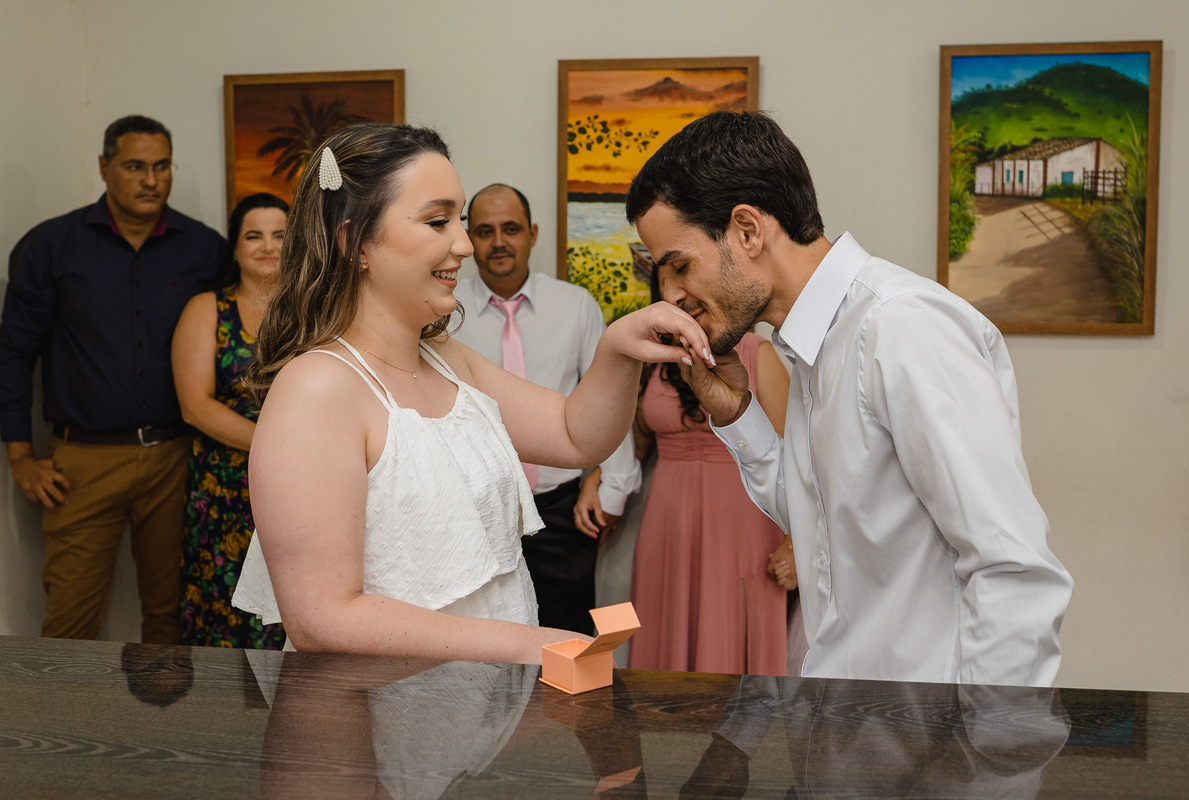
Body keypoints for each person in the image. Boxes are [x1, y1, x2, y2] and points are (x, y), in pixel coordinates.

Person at [230, 123, 710, 662]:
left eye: (458, 220)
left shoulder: (447, 359)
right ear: (353, 243)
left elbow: (577, 436)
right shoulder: (317, 389)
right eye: (438, 221)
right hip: (378, 723)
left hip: (473, 710)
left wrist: (618, 349)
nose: (462, 244)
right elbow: (322, 616)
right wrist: (533, 645)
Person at [625, 110, 1074, 687]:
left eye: (678, 266)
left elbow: (1013, 570)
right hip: (852, 724)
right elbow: (826, 521)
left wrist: (984, 759)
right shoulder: (814, 341)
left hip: (929, 742)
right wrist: (737, 413)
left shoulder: (899, 327)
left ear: (748, 230)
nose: (669, 296)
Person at [0, 115, 226, 643]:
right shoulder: (49, 247)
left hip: (176, 457)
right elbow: (13, 355)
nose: (151, 180)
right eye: (135, 166)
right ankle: (61, 728)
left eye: (162, 166)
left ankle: (163, 727)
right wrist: (19, 458)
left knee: (172, 615)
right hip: (82, 463)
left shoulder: (204, 249)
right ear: (105, 168)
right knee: (72, 618)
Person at [583, 268, 794, 676]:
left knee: (729, 635)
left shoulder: (757, 353)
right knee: (665, 630)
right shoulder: (653, 359)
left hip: (741, 525)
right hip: (667, 523)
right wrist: (597, 476)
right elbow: (636, 442)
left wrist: (794, 547)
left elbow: (795, 459)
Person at [455, 183, 641, 635]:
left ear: (533, 234)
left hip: (562, 512)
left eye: (511, 229)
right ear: (468, 240)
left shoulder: (574, 305)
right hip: (474, 509)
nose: (499, 242)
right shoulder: (446, 312)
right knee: (484, 637)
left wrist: (612, 486)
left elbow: (605, 396)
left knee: (568, 639)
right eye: (484, 231)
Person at [172, 192, 290, 649]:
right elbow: (195, 406)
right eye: (253, 235)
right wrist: (276, 446)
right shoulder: (207, 310)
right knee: (222, 611)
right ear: (235, 247)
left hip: (301, 485)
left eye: (280, 235)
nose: (267, 246)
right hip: (224, 488)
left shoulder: (315, 311)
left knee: (295, 606)